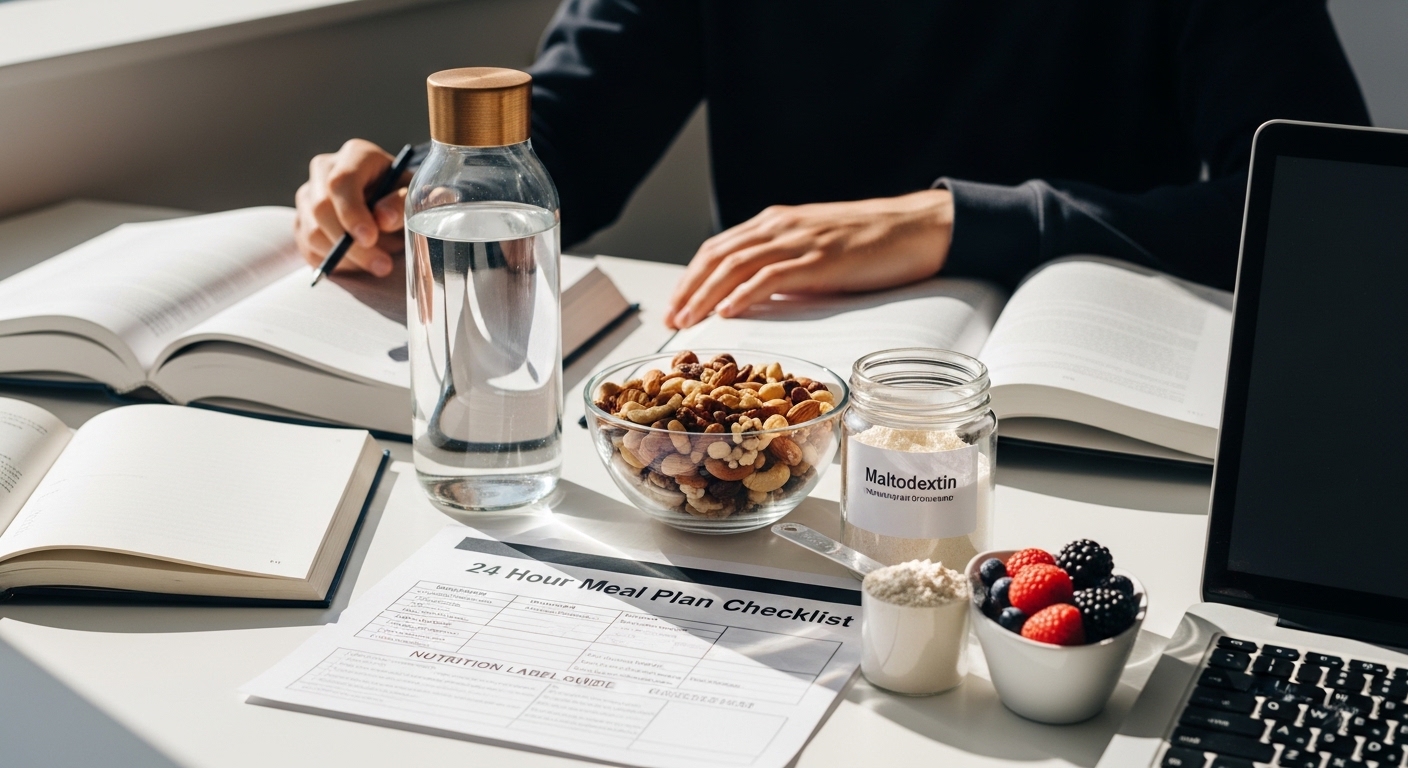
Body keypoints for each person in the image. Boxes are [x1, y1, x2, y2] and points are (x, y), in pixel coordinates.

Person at [295, 1, 1367, 329]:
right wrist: (418, 191)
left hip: (1089, 405)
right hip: (797, 405)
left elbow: (1330, 213)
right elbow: (569, 139)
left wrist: (963, 221)